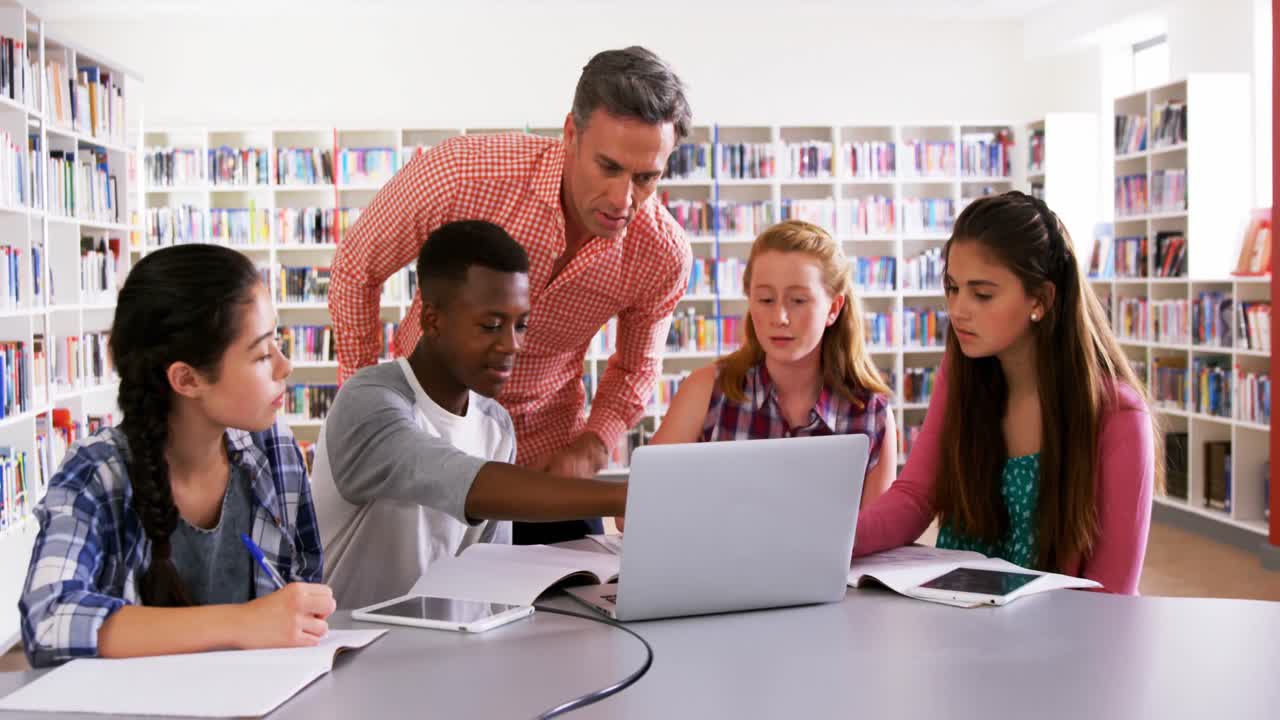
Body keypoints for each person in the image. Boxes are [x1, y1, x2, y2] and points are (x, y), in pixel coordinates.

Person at [329, 46, 693, 544]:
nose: (622, 200)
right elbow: (356, 269)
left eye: (646, 178)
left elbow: (636, 368)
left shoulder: (663, 253)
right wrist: (366, 404)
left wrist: (591, 446)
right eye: (608, 167)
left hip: (548, 456)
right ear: (570, 134)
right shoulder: (460, 175)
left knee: (585, 609)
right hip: (430, 434)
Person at [20, 245, 333, 667]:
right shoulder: (98, 473)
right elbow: (48, 622)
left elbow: (304, 596)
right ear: (186, 379)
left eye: (277, 343)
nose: (284, 366)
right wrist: (243, 623)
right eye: (261, 354)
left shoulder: (275, 453)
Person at [311, 221, 628, 609]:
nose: (512, 345)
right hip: (349, 650)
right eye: (492, 325)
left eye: (521, 325)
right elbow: (463, 480)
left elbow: (490, 574)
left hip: (444, 647)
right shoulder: (368, 401)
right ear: (432, 320)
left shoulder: (495, 425)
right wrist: (621, 497)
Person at [853, 192, 1159, 595]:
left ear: (1042, 299)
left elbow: (1113, 592)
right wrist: (824, 541)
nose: (958, 310)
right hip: (958, 620)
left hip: (1062, 639)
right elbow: (915, 498)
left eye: (982, 294)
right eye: (952, 288)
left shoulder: (1118, 415)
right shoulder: (961, 373)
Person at [642, 220, 895, 508]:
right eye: (765, 299)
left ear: (833, 309)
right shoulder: (706, 390)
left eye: (798, 300)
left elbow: (877, 542)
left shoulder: (873, 414)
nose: (780, 317)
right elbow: (634, 510)